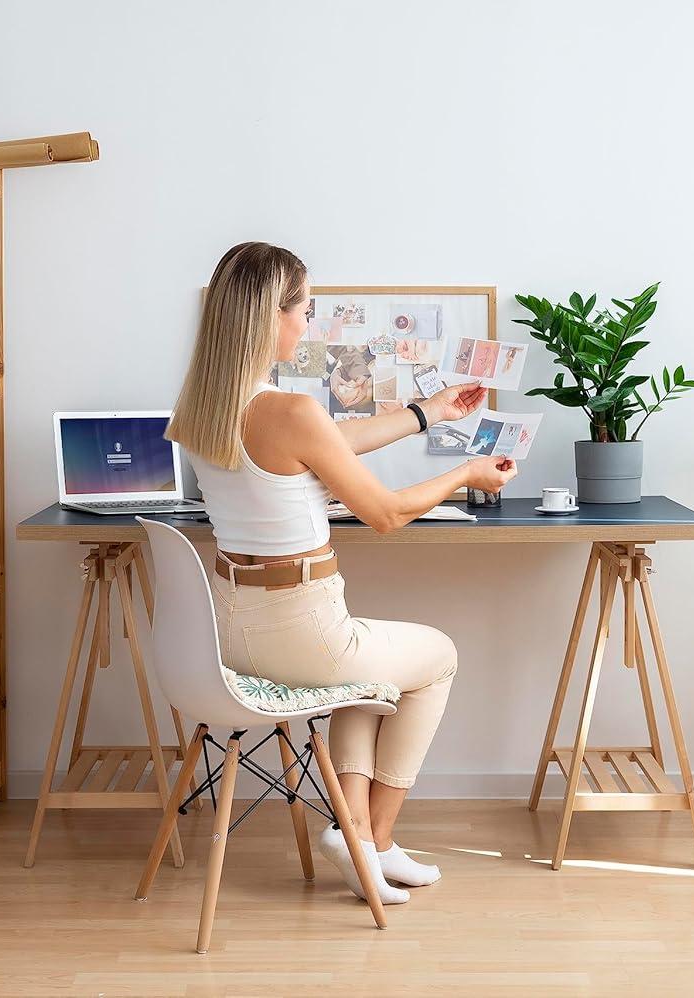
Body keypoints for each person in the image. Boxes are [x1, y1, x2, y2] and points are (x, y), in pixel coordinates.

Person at [166, 242, 517, 905]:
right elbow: (384, 513)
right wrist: (466, 475)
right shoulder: (288, 412)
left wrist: (428, 413)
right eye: (305, 308)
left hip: (233, 637)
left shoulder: (203, 405)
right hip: (300, 630)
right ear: (272, 315)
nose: (310, 322)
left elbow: (328, 441)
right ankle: (371, 841)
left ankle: (351, 833)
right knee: (437, 658)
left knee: (367, 679)